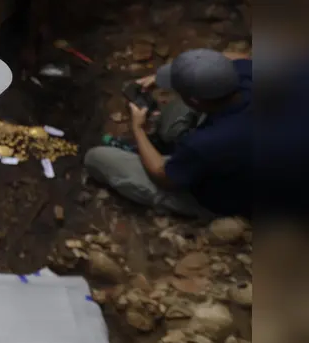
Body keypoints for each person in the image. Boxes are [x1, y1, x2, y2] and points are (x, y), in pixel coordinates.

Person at [85, 49, 253, 219]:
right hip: (258, 149)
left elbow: (162, 176)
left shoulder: (206, 143)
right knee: (171, 130)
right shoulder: (249, 75)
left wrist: (138, 129)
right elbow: (235, 56)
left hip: (231, 196)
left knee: (96, 158)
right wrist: (178, 74)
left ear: (195, 100)